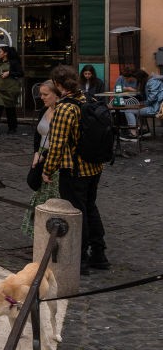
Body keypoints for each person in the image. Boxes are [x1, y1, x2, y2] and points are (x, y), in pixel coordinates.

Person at [42, 65, 109, 275]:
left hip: (74, 169)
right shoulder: (89, 99)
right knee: (90, 207)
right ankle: (99, 254)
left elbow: (58, 143)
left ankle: (81, 259)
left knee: (77, 212)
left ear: (59, 85)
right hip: (95, 167)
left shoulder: (65, 108)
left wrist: (48, 169)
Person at [22, 80, 62, 237]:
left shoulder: (62, 112)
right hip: (41, 154)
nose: (42, 98)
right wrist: (36, 153)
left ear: (56, 94)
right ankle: (38, 234)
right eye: (41, 95)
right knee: (39, 193)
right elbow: (37, 134)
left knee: (52, 195)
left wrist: (45, 156)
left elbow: (60, 140)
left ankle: (53, 234)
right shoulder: (44, 110)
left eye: (46, 94)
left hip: (54, 157)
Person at [0, 46, 23, 136]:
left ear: (5, 53)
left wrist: (9, 73)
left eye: (0, 51)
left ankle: (12, 127)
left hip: (10, 89)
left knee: (10, 108)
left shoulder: (14, 62)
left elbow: (21, 73)